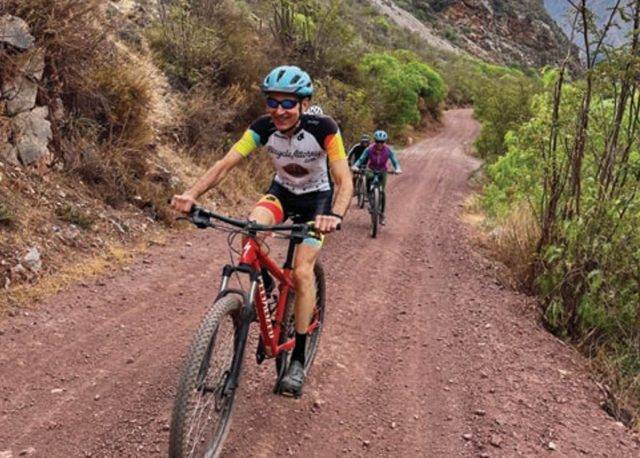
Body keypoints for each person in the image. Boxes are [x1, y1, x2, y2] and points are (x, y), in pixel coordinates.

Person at [171, 65, 352, 396]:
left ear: (304, 103)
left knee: (301, 272)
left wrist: (335, 215)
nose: (279, 111)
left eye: (288, 103)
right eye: (273, 102)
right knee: (251, 230)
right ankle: (266, 292)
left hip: (318, 203)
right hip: (282, 193)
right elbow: (226, 163)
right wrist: (191, 194)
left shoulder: (323, 127)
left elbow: (343, 179)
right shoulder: (263, 128)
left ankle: (297, 359)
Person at [351, 129, 401, 225]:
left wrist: (397, 168)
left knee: (382, 192)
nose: (379, 144)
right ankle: (370, 200)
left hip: (382, 171)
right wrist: (355, 166)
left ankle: (381, 214)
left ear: (384, 142)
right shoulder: (369, 149)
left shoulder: (388, 150)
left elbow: (395, 161)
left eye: (382, 142)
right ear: (375, 141)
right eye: (377, 141)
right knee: (369, 186)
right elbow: (361, 159)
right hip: (371, 170)